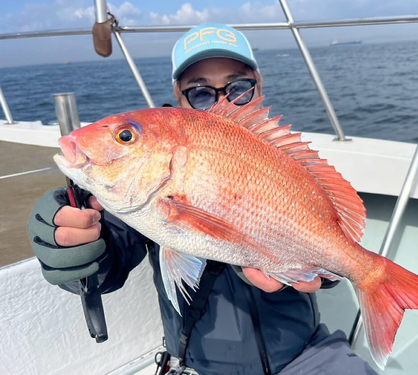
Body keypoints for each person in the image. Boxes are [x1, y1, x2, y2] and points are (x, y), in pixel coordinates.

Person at [28, 22, 376, 375]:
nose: (222, 101)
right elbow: (109, 254)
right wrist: (72, 246)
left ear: (259, 86)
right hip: (201, 368)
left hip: (307, 353)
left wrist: (331, 266)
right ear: (179, 95)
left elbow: (327, 244)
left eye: (239, 88)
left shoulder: (279, 155)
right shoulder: (144, 181)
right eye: (201, 92)